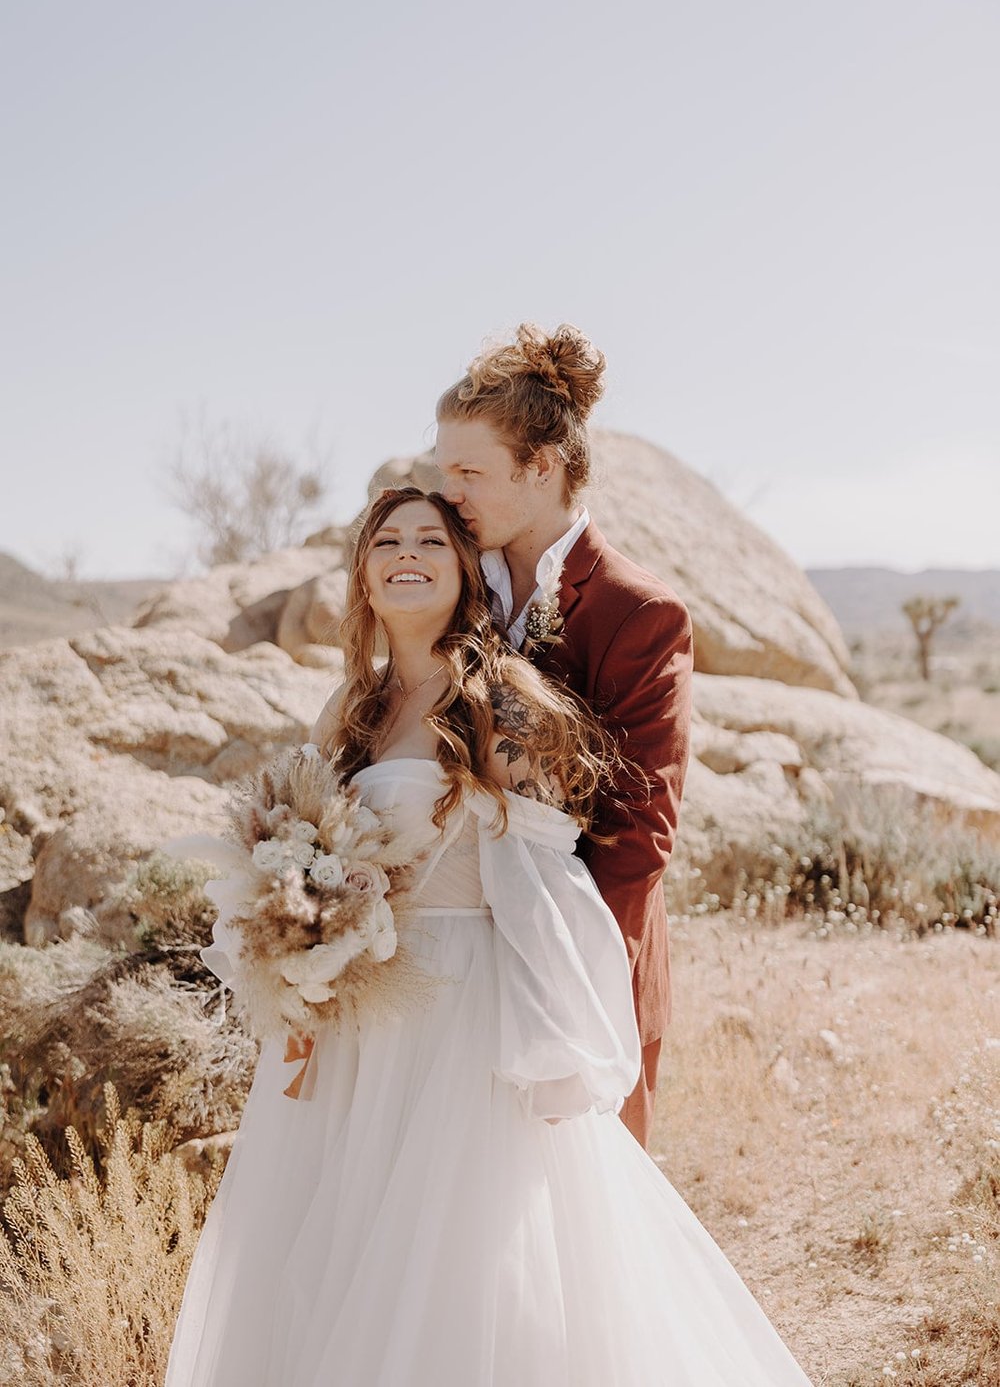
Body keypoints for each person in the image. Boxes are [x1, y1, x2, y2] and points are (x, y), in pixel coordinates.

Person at [165, 485, 814, 1387]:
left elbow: (548, 880)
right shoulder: (348, 712)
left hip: (465, 1009)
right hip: (358, 1020)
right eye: (386, 539)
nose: (408, 553)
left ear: (465, 567)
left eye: (432, 538)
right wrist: (303, 966)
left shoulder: (501, 701)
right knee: (343, 1244)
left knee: (463, 1255)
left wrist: (557, 1030)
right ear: (362, 573)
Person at [435, 322, 692, 1148]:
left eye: (470, 472)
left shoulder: (637, 611)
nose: (451, 494)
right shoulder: (453, 589)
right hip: (455, 970)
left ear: (541, 467)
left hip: (580, 969)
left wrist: (560, 981)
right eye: (445, 472)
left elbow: (638, 833)